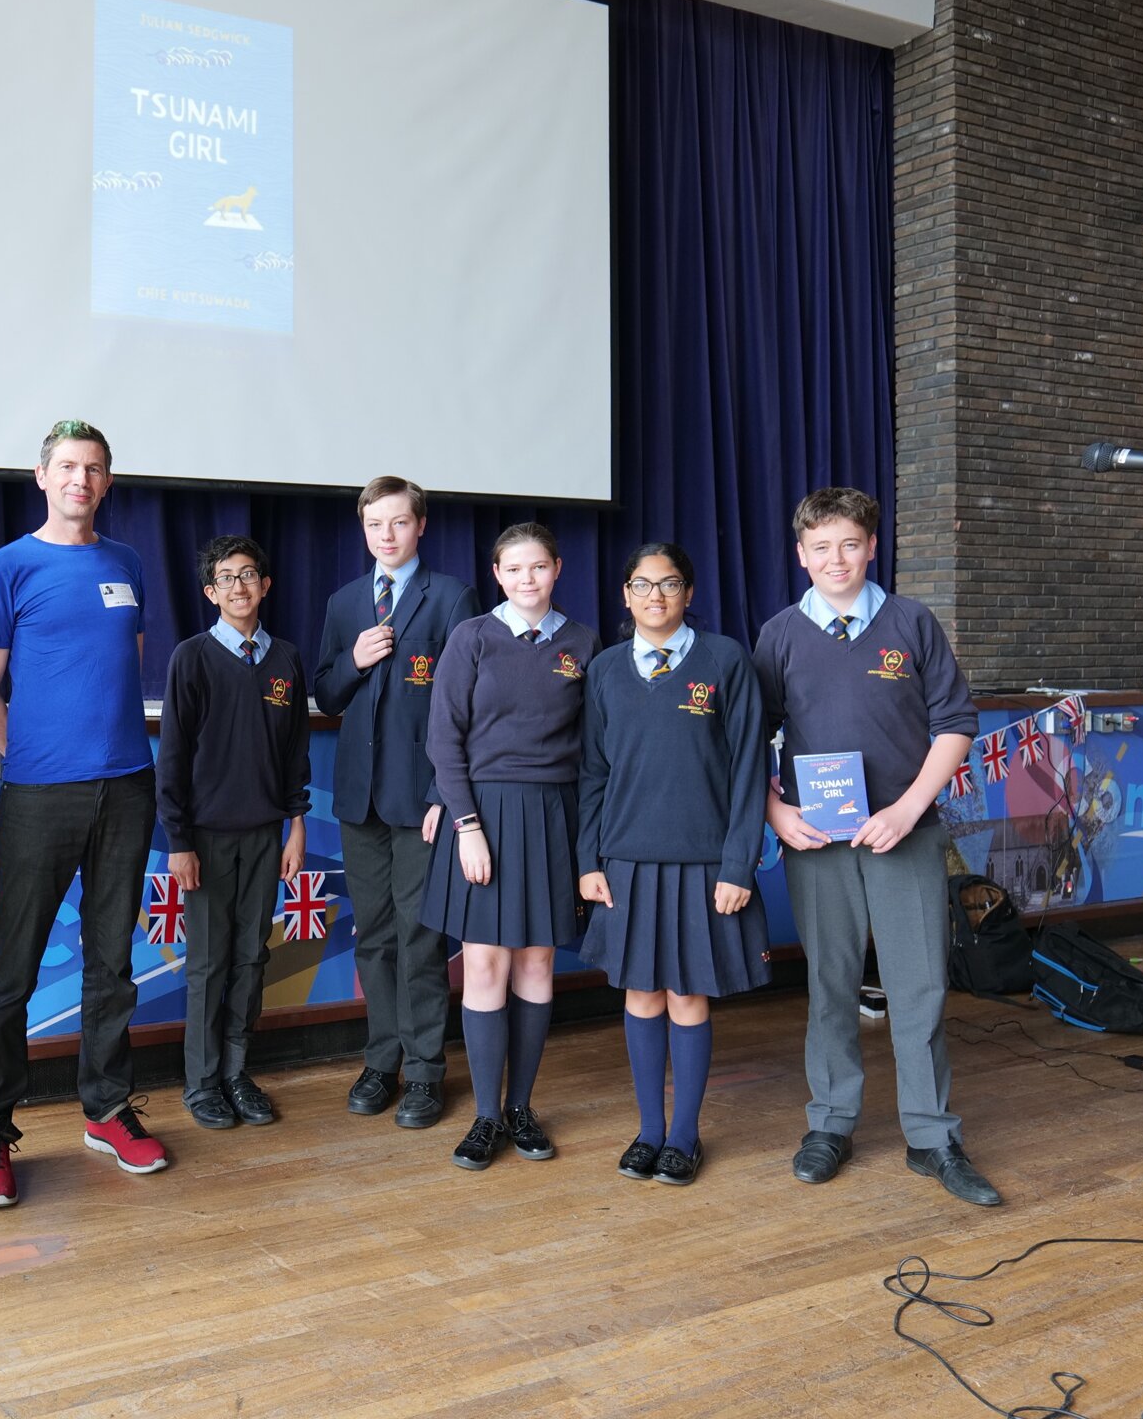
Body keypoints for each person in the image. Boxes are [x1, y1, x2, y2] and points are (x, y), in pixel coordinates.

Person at [751, 487, 996, 1206]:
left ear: (871, 547)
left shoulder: (910, 623)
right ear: (800, 555)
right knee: (829, 985)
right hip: (817, 841)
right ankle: (830, 1123)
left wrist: (908, 807)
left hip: (905, 835)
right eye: (820, 547)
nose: (836, 559)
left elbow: (955, 722)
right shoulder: (779, 635)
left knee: (918, 987)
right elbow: (747, 742)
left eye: (849, 544)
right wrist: (774, 812)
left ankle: (932, 1137)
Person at [0, 419, 169, 1209]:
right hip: (38, 797)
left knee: (111, 964)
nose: (80, 479)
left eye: (93, 468)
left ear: (107, 482)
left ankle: (106, 1108)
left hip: (127, 788)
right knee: (10, 970)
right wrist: (36, 759)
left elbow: (123, 665)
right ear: (42, 477)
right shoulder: (9, 565)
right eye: (66, 467)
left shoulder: (127, 563)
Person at [577, 544, 771, 1187]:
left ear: (689, 593)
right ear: (625, 595)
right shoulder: (604, 670)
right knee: (640, 993)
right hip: (626, 861)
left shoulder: (725, 661)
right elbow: (592, 774)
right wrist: (590, 860)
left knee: (688, 995)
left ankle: (684, 1135)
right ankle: (648, 1132)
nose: (654, 595)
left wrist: (738, 865)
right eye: (641, 584)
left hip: (704, 861)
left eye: (669, 584)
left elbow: (749, 771)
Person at [419, 522, 601, 1169]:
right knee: (486, 965)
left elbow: (593, 752)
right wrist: (465, 823)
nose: (527, 579)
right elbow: (444, 738)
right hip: (485, 816)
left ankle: (521, 1107)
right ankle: (486, 1117)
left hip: (554, 816)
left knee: (536, 966)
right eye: (514, 569)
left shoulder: (582, 643)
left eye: (539, 567)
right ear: (498, 574)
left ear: (557, 569)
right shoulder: (471, 637)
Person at [314, 478, 479, 1129]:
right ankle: (381, 1061)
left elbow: (468, 707)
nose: (387, 534)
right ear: (363, 530)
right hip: (361, 801)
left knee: (419, 937)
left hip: (423, 804)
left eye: (399, 523)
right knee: (375, 937)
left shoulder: (451, 597)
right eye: (375, 524)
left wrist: (446, 792)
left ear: (421, 527)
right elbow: (327, 694)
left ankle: (425, 1072)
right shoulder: (346, 601)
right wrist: (352, 661)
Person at [156, 535, 311, 1129]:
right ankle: (200, 1083)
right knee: (208, 963)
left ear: (265, 586)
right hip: (206, 840)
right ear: (210, 592)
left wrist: (294, 827)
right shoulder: (192, 658)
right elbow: (172, 758)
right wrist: (180, 841)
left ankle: (236, 1073)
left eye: (250, 575)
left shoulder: (286, 660)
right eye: (227, 577)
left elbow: (296, 750)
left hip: (266, 836)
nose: (240, 586)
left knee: (252, 957)